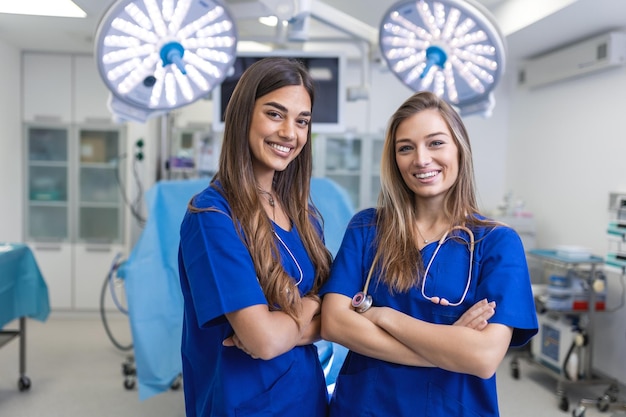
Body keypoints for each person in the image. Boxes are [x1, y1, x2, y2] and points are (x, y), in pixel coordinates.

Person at [320, 91, 539, 416]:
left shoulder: (497, 243)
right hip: (365, 407)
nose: (421, 159)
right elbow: (334, 323)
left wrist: (384, 316)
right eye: (405, 148)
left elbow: (482, 357)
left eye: (435, 143)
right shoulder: (367, 228)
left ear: (459, 149)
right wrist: (449, 345)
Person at [177, 57, 333, 417]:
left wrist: (289, 326)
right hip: (244, 404)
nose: (290, 133)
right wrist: (313, 306)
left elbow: (336, 314)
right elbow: (262, 341)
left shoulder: (303, 214)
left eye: (302, 121)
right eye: (275, 114)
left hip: (307, 398)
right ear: (244, 115)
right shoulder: (213, 217)